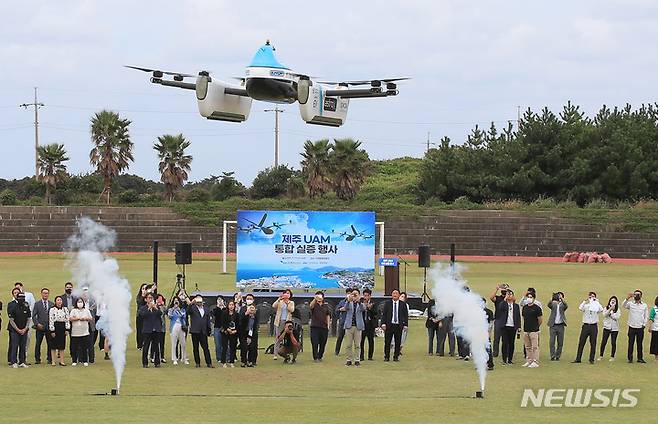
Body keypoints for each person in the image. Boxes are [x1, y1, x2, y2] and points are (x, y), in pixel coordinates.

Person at [573, 291, 603, 364]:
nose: (591, 298)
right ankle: (578, 358)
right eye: (590, 296)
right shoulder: (586, 306)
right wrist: (585, 301)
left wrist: (596, 302)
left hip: (593, 326)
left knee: (593, 343)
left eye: (593, 296)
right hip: (586, 326)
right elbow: (580, 308)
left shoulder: (596, 306)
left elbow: (601, 309)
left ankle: (591, 359)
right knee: (581, 342)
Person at [494, 288, 521, 365]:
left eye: (510, 294)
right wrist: (505, 299)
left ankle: (510, 359)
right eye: (508, 294)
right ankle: (504, 359)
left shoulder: (516, 306)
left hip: (513, 326)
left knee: (511, 343)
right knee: (505, 343)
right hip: (505, 326)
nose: (509, 296)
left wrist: (519, 326)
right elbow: (500, 307)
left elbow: (517, 316)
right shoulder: (503, 304)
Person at [186, 295, 213, 368]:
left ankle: (209, 363)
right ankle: (197, 363)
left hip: (203, 331)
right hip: (195, 331)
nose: (199, 303)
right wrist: (191, 303)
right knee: (195, 348)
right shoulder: (192, 308)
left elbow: (207, 320)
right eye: (198, 302)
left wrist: (209, 329)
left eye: (200, 302)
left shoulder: (206, 309)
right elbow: (187, 312)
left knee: (206, 348)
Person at [382, 289, 408, 362]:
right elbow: (384, 314)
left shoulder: (403, 304)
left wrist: (405, 325)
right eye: (393, 293)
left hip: (398, 326)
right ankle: (386, 356)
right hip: (389, 325)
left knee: (398, 342)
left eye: (396, 293)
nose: (395, 295)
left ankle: (396, 356)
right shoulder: (387, 303)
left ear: (399, 295)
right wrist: (383, 324)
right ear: (391, 295)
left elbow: (405, 315)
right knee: (387, 342)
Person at [342, 288, 367, 366]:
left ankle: (357, 360)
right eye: (353, 294)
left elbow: (363, 309)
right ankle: (349, 359)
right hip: (349, 326)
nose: (354, 295)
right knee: (348, 345)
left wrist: (358, 301)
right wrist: (349, 300)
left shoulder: (361, 303)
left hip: (358, 327)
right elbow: (345, 308)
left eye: (356, 294)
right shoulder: (349, 302)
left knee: (357, 345)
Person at [623, 289, 648, 364]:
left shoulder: (644, 305)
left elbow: (646, 316)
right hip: (632, 327)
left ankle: (640, 358)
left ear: (641, 296)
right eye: (635, 294)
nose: (636, 295)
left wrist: (644, 324)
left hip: (640, 327)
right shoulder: (630, 304)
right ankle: (630, 358)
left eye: (638, 294)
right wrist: (627, 298)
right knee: (631, 343)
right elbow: (623, 305)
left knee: (639, 343)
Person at [138, 293, 163, 368]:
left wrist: (156, 308)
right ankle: (145, 363)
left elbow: (160, 313)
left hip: (156, 329)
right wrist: (149, 308)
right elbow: (142, 315)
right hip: (147, 330)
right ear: (146, 299)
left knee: (156, 347)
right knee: (146, 346)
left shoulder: (156, 307)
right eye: (149, 298)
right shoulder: (143, 308)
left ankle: (157, 362)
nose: (150, 299)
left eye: (151, 298)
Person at [7, 290, 31, 368]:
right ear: (17, 298)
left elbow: (28, 318)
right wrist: (18, 329)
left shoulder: (26, 305)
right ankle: (14, 361)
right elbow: (11, 320)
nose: (22, 299)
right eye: (20, 297)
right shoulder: (12, 306)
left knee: (23, 346)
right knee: (14, 345)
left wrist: (25, 328)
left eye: (23, 297)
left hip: (24, 330)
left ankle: (22, 361)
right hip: (15, 330)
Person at [32, 287, 53, 365]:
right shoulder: (37, 304)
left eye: (47, 293)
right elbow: (34, 315)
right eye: (44, 293)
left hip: (49, 327)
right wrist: (37, 324)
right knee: (38, 343)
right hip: (39, 327)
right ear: (41, 294)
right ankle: (37, 359)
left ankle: (50, 358)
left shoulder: (51, 304)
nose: (45, 294)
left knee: (50, 343)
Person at [521, 292, 543, 368]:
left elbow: (540, 319)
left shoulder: (537, 308)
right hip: (526, 330)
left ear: (534, 298)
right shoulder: (524, 308)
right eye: (528, 297)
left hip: (534, 330)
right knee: (527, 347)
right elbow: (524, 318)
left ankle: (535, 361)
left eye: (531, 297)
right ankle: (529, 360)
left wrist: (536, 327)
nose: (529, 298)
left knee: (535, 347)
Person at [69, 298, 93, 366]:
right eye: (78, 302)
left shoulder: (86, 310)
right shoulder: (73, 310)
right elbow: (70, 318)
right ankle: (74, 360)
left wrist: (85, 318)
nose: (80, 303)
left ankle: (85, 360)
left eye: (81, 302)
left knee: (84, 347)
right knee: (74, 347)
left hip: (85, 332)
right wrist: (77, 318)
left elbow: (90, 318)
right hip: (75, 332)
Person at [14, 282, 35, 357]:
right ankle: (18, 354)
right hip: (18, 321)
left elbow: (32, 306)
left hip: (28, 319)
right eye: (16, 288)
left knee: (27, 337)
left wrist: (27, 316)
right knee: (17, 337)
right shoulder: (15, 297)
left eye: (19, 287)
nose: (18, 289)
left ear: (22, 287)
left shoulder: (29, 295)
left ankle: (24, 353)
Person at [272, 289, 295, 360]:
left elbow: (291, 310)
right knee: (278, 337)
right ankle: (275, 353)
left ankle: (289, 352)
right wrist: (279, 298)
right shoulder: (280, 302)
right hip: (279, 321)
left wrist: (287, 303)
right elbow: (274, 306)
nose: (287, 295)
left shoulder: (291, 302)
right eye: (285, 293)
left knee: (288, 336)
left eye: (288, 293)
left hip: (287, 321)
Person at [49, 295, 70, 366]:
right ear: (55, 301)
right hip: (55, 326)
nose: (59, 301)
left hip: (62, 327)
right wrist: (52, 330)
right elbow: (51, 320)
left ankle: (62, 361)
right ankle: (53, 361)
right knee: (53, 345)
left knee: (62, 345)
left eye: (60, 300)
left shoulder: (65, 309)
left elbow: (67, 319)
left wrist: (67, 329)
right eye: (58, 300)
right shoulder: (52, 309)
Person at [489, 283, 510, 357]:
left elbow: (514, 299)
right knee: (496, 338)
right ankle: (495, 353)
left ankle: (506, 353)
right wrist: (496, 289)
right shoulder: (498, 298)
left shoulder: (509, 299)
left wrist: (508, 292)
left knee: (506, 339)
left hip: (507, 320)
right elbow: (491, 297)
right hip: (498, 319)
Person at [309, 291, 330, 362]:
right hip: (315, 327)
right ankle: (315, 357)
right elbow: (310, 306)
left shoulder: (325, 306)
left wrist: (328, 325)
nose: (319, 297)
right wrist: (315, 299)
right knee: (315, 343)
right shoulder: (314, 305)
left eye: (320, 296)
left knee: (323, 343)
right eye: (317, 296)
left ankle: (320, 356)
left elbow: (328, 315)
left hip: (324, 327)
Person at [546, 291, 567, 361]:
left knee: (560, 342)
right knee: (552, 341)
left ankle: (558, 355)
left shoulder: (563, 305)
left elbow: (566, 306)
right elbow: (548, 304)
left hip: (561, 325)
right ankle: (552, 355)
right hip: (553, 325)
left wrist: (562, 300)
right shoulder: (553, 304)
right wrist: (552, 299)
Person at [168, 297, 189, 365]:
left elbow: (183, 316)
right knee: (174, 343)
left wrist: (178, 310)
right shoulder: (171, 309)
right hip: (174, 326)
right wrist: (174, 309)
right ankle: (174, 358)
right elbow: (170, 316)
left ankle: (184, 358)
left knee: (183, 343)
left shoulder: (182, 309)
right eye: (175, 301)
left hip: (181, 326)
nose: (176, 302)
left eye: (177, 301)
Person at [599, 296, 621, 361]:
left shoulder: (618, 310)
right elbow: (604, 315)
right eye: (612, 300)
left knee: (613, 342)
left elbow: (616, 318)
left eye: (614, 301)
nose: (613, 301)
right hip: (606, 328)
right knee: (603, 342)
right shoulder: (606, 308)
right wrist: (610, 309)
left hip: (615, 329)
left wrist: (612, 312)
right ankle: (601, 355)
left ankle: (612, 356)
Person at [239, 303, 259, 367]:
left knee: (252, 347)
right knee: (244, 348)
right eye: (250, 308)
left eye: (253, 308)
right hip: (243, 333)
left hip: (252, 334)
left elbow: (255, 327)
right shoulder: (244, 315)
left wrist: (250, 336)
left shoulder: (255, 317)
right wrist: (246, 314)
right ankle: (243, 361)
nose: (252, 309)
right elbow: (240, 323)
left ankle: (251, 361)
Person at [220, 300, 239, 368]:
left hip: (234, 333)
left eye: (232, 305)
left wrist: (235, 330)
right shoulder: (224, 313)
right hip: (225, 332)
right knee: (225, 347)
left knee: (233, 347)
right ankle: (223, 362)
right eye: (230, 305)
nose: (231, 306)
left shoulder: (236, 314)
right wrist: (227, 329)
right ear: (228, 306)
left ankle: (232, 361)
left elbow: (238, 323)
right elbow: (222, 322)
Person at [360, 288, 377, 362]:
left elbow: (376, 313)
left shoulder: (374, 303)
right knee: (361, 341)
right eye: (364, 295)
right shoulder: (360, 303)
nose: (365, 297)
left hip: (370, 324)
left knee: (371, 341)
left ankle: (370, 356)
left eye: (367, 295)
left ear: (370, 296)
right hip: (363, 324)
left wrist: (370, 309)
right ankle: (361, 356)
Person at [334, 288, 351, 355]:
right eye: (348, 293)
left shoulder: (353, 302)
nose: (349, 295)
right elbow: (336, 311)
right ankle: (337, 351)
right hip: (343, 322)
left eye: (350, 293)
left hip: (350, 322)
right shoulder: (342, 302)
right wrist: (341, 309)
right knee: (340, 337)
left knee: (350, 339)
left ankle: (349, 351)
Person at [152, 294, 167, 364]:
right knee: (154, 343)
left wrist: (163, 305)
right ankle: (152, 356)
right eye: (159, 299)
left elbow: (166, 312)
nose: (160, 300)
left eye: (161, 299)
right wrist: (156, 305)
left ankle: (162, 357)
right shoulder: (154, 306)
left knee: (162, 343)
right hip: (155, 327)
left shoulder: (163, 307)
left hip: (162, 328)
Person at [211, 296, 226, 363]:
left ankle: (226, 357)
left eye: (221, 300)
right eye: (218, 300)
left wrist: (223, 307)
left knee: (225, 344)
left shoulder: (226, 309)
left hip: (225, 328)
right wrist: (218, 307)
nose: (220, 301)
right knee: (218, 344)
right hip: (217, 328)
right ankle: (219, 358)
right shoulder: (215, 309)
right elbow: (215, 315)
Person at [135, 283, 148, 350]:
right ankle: (139, 345)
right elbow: (140, 303)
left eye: (146, 289)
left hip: (147, 317)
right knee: (140, 330)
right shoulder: (139, 297)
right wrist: (143, 295)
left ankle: (145, 343)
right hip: (140, 316)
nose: (144, 290)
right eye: (143, 289)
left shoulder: (149, 297)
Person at [649, 296, 658, 363]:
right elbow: (651, 318)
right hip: (656, 329)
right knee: (656, 343)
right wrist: (650, 327)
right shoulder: (654, 309)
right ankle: (656, 358)